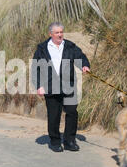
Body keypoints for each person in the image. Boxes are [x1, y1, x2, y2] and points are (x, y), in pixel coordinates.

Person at [32, 22, 90, 152]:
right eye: (57, 32)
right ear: (50, 34)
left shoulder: (69, 46)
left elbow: (80, 56)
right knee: (54, 115)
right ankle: (55, 141)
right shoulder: (42, 48)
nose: (60, 35)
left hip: (68, 85)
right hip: (50, 86)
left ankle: (70, 141)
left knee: (72, 112)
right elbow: (35, 68)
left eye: (61, 32)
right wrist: (38, 85)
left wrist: (84, 65)